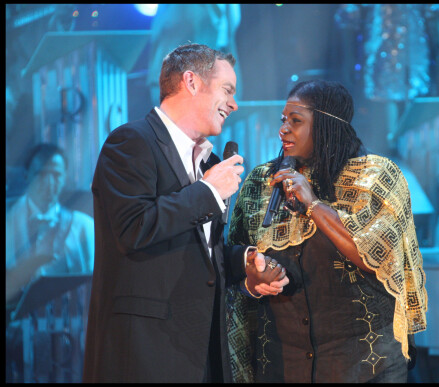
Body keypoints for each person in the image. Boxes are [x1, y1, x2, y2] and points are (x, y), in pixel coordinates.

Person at [82, 43, 288, 383]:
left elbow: (199, 250)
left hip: (201, 353)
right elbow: (134, 228)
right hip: (144, 355)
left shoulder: (207, 163)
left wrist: (243, 263)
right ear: (191, 82)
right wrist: (207, 192)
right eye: (227, 90)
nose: (234, 104)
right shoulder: (131, 142)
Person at [226, 80, 428, 383]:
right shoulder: (262, 183)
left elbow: (374, 255)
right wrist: (252, 277)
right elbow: (233, 258)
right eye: (283, 120)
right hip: (282, 363)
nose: (283, 129)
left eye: (296, 121)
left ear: (324, 126)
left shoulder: (377, 176)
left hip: (363, 364)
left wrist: (313, 204)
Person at [6, 143, 94, 382]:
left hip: (70, 343)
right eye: (41, 174)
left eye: (55, 174)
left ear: (65, 177)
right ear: (27, 175)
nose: (49, 182)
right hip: (14, 345)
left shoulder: (82, 227)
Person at [334, 4, 439, 154]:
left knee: (416, 134)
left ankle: (412, 169)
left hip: (415, 59)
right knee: (382, 132)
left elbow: (432, 12)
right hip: (380, 57)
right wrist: (348, 58)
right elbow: (349, 12)